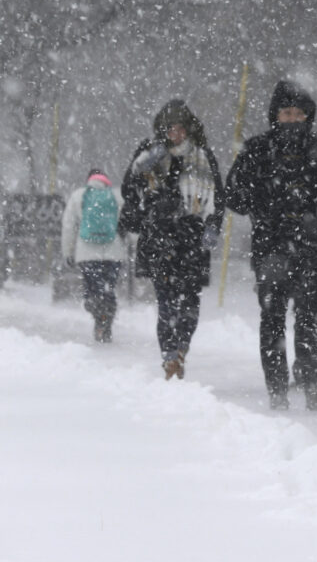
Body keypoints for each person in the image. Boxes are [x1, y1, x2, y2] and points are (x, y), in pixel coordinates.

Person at [225, 80, 317, 411]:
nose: (292, 119)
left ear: (308, 117)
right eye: (286, 113)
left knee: (309, 317)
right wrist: (261, 201)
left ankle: (312, 382)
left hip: (312, 251)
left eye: (298, 113)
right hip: (272, 249)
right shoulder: (258, 150)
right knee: (273, 319)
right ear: (275, 116)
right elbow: (234, 195)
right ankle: (277, 387)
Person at [120, 99, 225, 380]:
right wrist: (142, 167)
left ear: (189, 129)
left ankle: (181, 348)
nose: (174, 133)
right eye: (168, 128)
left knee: (190, 300)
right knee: (166, 301)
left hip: (191, 238)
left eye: (179, 128)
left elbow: (218, 197)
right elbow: (129, 192)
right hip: (159, 236)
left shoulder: (203, 156)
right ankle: (169, 355)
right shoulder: (149, 152)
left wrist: (213, 225)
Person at [60, 169, 127, 342]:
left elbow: (68, 226)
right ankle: (106, 321)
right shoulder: (116, 196)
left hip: (86, 253)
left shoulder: (78, 195)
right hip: (113, 252)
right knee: (108, 288)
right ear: (106, 180)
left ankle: (98, 317)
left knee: (92, 289)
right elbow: (129, 224)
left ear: (88, 179)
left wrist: (68, 252)